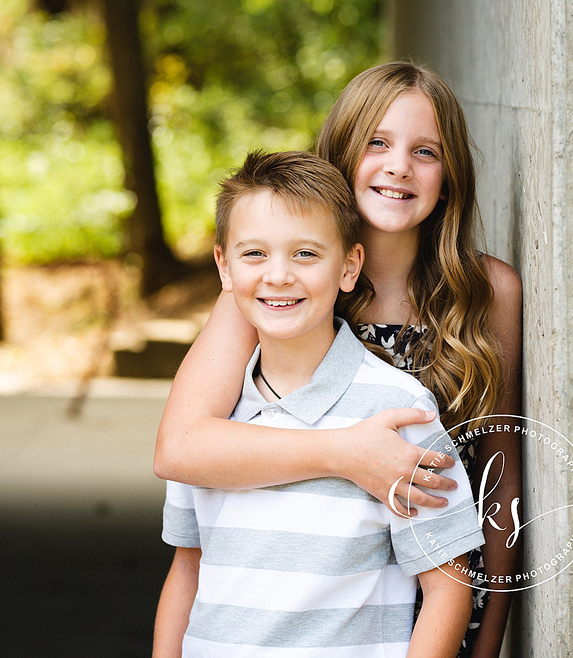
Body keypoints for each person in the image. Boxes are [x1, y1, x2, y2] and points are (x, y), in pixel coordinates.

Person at [154, 62, 523, 658]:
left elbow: (500, 476)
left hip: (437, 602)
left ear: (450, 175)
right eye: (377, 142)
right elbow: (180, 448)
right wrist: (348, 454)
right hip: (313, 596)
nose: (398, 165)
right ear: (342, 154)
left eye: (425, 151)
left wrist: (490, 636)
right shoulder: (286, 289)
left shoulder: (488, 290)